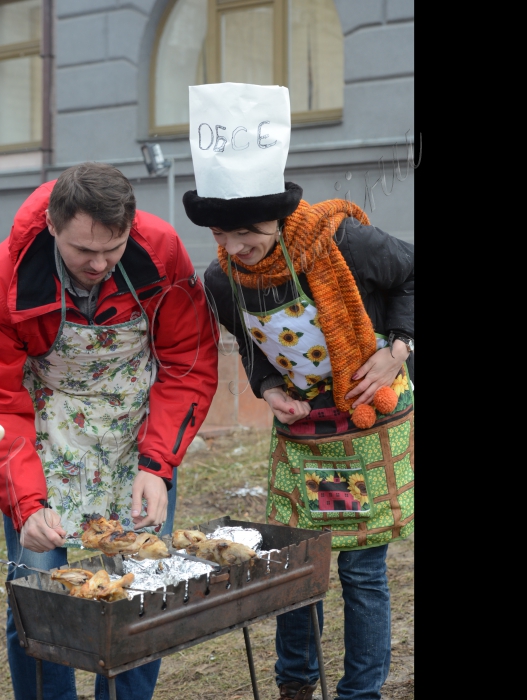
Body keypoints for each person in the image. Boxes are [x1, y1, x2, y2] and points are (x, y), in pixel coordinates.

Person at [183, 83, 414, 700]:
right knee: (292, 564)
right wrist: (266, 386)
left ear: (278, 217)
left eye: (248, 233)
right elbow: (257, 346)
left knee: (361, 573)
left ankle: (360, 692)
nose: (235, 247)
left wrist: (396, 352)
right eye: (223, 235)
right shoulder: (222, 278)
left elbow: (412, 274)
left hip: (369, 422)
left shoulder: (344, 243)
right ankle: (295, 685)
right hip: (304, 434)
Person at [0, 162, 218, 700]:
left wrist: (157, 465)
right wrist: (26, 504)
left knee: (142, 593)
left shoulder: (162, 252)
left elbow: (187, 361)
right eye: (83, 251)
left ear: (131, 227)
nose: (99, 264)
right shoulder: (1, 277)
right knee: (39, 598)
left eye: (114, 247)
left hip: (134, 433)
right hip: (46, 437)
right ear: (53, 226)